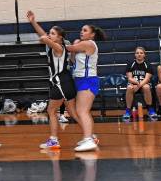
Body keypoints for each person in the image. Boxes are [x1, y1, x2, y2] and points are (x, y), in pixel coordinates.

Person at [26, 11, 79, 150]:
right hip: (67, 81)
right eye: (50, 33)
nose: (50, 35)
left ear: (60, 38)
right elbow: (43, 35)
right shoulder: (55, 45)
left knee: (51, 110)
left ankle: (54, 140)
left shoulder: (59, 47)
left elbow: (45, 38)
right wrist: (33, 22)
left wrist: (44, 38)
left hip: (60, 82)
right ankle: (91, 135)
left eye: (53, 33)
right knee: (73, 113)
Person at [66, 24, 106, 152]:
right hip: (80, 79)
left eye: (85, 30)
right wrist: (74, 47)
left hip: (88, 80)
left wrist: (50, 41)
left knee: (82, 111)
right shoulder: (82, 45)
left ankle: (89, 140)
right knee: (83, 111)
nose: (81, 32)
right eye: (81, 30)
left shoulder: (88, 43)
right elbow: (72, 60)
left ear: (92, 34)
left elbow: (67, 48)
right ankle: (89, 137)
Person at [123, 47, 157, 120]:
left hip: (144, 84)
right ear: (135, 55)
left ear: (144, 55)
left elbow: (147, 79)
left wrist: (138, 86)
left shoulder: (148, 65)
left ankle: (150, 109)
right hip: (134, 83)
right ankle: (128, 111)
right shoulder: (130, 64)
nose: (139, 54)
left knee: (146, 87)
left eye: (141, 53)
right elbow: (129, 78)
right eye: (137, 53)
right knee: (129, 87)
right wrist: (137, 83)